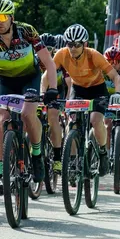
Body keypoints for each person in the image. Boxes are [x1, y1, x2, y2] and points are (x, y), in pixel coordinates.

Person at [0, 0, 58, 196]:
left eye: (1, 17)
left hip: (29, 78)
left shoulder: (27, 31)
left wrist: (52, 88)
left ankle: (36, 154)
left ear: (12, 18)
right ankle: (1, 172)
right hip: (5, 80)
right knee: (2, 119)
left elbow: (49, 63)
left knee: (27, 114)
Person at [52, 24, 120, 177]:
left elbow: (115, 77)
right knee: (72, 123)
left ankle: (103, 152)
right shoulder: (61, 54)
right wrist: (44, 92)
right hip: (78, 90)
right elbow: (48, 75)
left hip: (97, 89)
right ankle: (71, 160)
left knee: (96, 120)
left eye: (77, 44)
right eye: (69, 44)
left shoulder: (94, 55)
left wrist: (117, 92)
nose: (73, 48)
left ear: (84, 44)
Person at [39, 33, 71, 174]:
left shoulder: (59, 62)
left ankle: (57, 158)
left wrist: (68, 103)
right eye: (42, 47)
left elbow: (70, 84)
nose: (46, 50)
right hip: (39, 91)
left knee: (52, 116)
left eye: (50, 48)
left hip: (58, 91)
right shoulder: (34, 60)